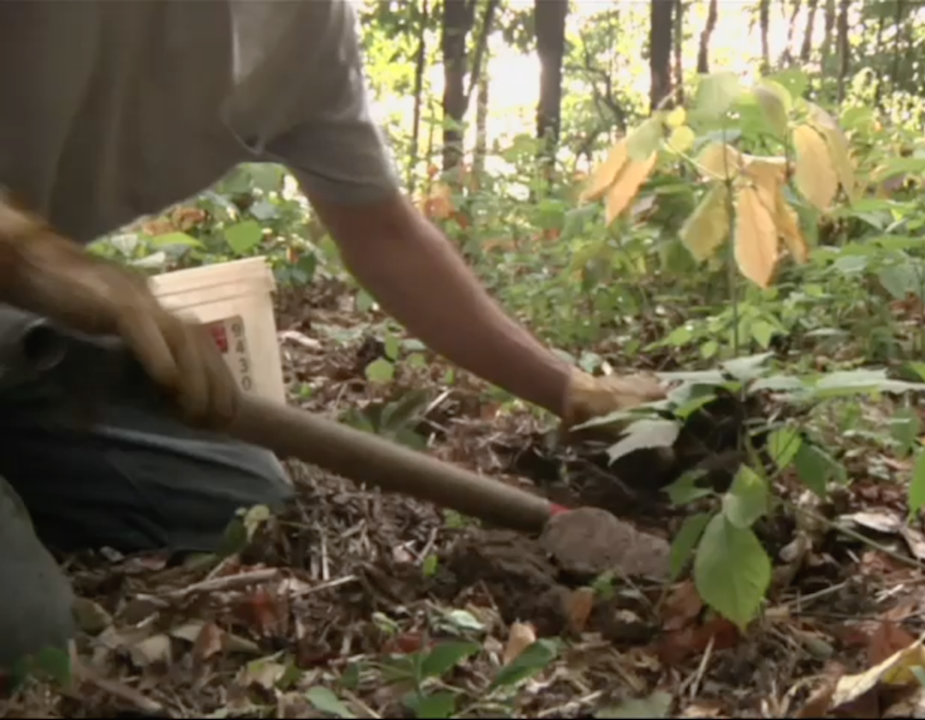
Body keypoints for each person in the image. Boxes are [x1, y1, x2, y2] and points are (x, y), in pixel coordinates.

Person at [0, 0, 666, 669]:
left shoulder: (307, 32)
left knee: (239, 503)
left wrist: (568, 389)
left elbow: (384, 235)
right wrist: (31, 256)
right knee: (28, 643)